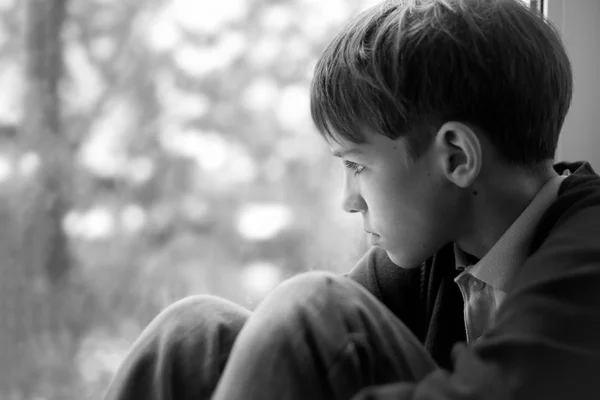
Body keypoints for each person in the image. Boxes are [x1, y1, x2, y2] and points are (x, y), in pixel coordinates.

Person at [103, 0, 600, 399]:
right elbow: (288, 356)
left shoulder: (588, 244)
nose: (349, 200)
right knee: (194, 334)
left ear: (455, 157)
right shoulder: (436, 253)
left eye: (357, 166)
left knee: (314, 307)